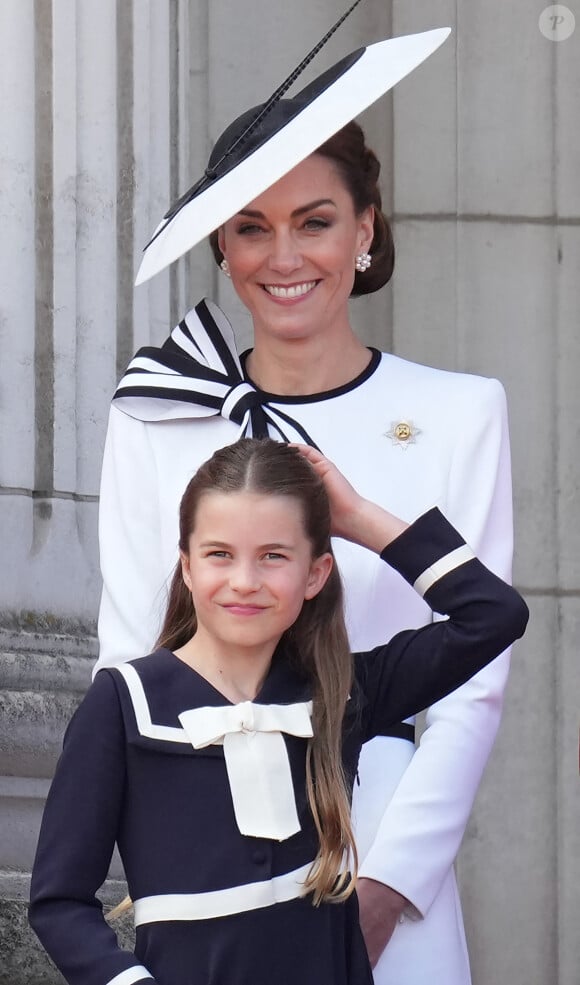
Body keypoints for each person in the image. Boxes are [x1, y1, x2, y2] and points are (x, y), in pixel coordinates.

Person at [95, 25, 513, 985]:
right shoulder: (157, 414)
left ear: (364, 230)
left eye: (315, 221)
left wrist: (387, 891)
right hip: (211, 849)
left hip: (384, 831)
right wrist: (172, 872)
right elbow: (129, 657)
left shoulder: (458, 412)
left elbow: (474, 680)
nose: (283, 256)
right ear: (222, 246)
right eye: (250, 225)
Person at [30, 439, 528, 985]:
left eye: (274, 555)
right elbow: (60, 902)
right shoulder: (123, 702)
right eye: (219, 554)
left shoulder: (343, 691)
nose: (245, 580)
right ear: (188, 568)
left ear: (315, 575)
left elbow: (494, 614)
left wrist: (358, 516)